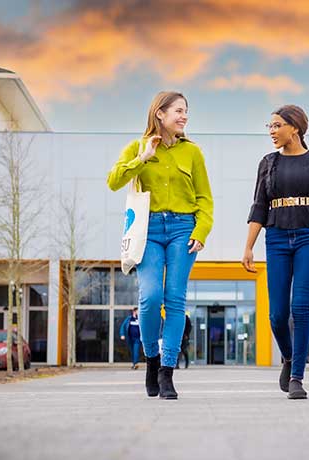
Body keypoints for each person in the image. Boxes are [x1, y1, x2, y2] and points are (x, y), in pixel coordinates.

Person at [107, 91, 213, 400]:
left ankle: (167, 372)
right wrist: (142, 159)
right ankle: (151, 359)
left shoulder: (192, 153)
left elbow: (205, 198)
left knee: (175, 300)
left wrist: (202, 230)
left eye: (186, 112)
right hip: (148, 229)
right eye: (178, 111)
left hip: (183, 229)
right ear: (160, 114)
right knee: (151, 297)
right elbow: (113, 181)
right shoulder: (137, 147)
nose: (184, 116)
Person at [242, 104, 309, 399]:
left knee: (300, 307)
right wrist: (248, 246)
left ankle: (297, 377)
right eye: (269, 127)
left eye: (276, 125)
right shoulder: (268, 163)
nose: (272, 132)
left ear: (295, 128)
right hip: (275, 238)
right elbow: (259, 206)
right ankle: (288, 357)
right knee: (277, 315)